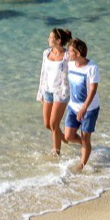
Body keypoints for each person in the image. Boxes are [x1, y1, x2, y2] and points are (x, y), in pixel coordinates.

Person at [62, 38, 100, 172]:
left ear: (78, 54)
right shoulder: (71, 64)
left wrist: (84, 108)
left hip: (89, 109)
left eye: (70, 51)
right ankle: (86, 146)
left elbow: (93, 90)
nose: (67, 53)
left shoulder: (92, 68)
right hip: (73, 107)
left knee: (85, 137)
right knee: (68, 136)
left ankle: (82, 164)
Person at [37, 28, 72, 156]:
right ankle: (63, 137)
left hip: (61, 93)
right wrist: (40, 92)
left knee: (54, 124)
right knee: (48, 124)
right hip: (47, 91)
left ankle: (56, 152)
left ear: (58, 40)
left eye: (50, 37)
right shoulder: (46, 53)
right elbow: (43, 73)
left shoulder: (68, 56)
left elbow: (77, 68)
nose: (48, 39)